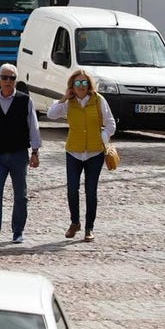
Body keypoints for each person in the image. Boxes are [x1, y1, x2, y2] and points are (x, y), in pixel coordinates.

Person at [46, 68, 116, 242]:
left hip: (95, 152)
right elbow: (51, 114)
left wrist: (103, 137)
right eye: (77, 83)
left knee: (91, 191)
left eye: (84, 83)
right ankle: (74, 222)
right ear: (72, 86)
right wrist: (63, 98)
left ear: (89, 85)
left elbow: (111, 124)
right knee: (72, 189)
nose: (81, 86)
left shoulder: (98, 101)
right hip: (74, 152)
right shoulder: (68, 103)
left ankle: (89, 228)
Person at [0, 62, 41, 245]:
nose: (8, 81)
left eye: (12, 78)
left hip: (19, 154)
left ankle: (18, 231)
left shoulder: (25, 101)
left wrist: (35, 152)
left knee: (20, 194)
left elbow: (33, 127)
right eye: (5, 78)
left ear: (16, 80)